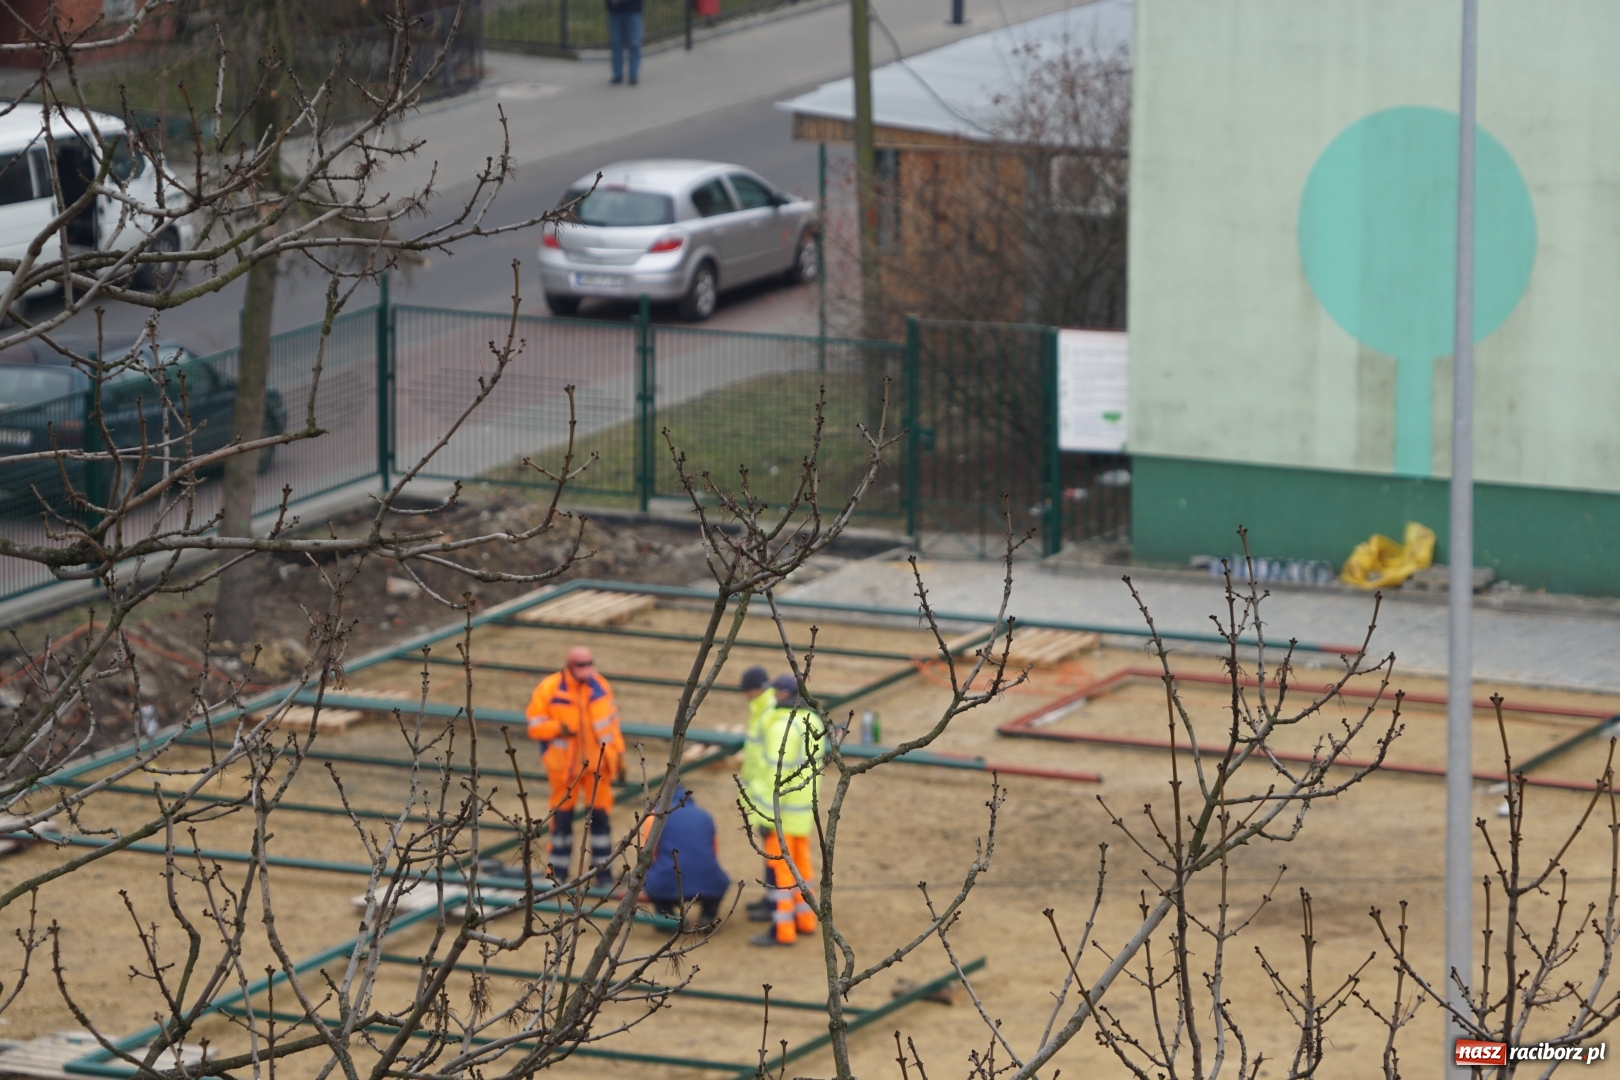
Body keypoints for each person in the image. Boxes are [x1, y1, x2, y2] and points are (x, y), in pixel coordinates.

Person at [525, 646, 625, 889]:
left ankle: (602, 875)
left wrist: (619, 758)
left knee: (601, 822)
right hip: (564, 770)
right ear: (569, 666)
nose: (585, 672)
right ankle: (556, 875)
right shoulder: (549, 689)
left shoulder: (600, 686)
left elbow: (611, 725)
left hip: (598, 768)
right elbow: (534, 725)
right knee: (561, 822)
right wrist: (559, 728)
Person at [743, 673, 824, 946]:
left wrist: (767, 817)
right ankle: (806, 920)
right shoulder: (812, 721)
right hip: (802, 813)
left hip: (782, 815)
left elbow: (774, 777)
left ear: (780, 695)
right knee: (801, 868)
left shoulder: (782, 727)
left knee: (781, 873)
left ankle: (782, 931)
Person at [639, 782, 731, 925]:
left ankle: (667, 919)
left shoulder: (656, 817)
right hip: (707, 882)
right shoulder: (707, 816)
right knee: (719, 881)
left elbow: (647, 856)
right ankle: (707, 915)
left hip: (667, 881)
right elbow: (713, 851)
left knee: (648, 880)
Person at [737, 665, 778, 922]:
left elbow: (768, 763)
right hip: (760, 792)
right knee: (768, 851)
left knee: (774, 852)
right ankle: (769, 898)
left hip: (767, 796)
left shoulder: (768, 712)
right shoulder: (761, 708)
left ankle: (773, 903)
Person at [606, 0, 642, 86]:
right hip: (615, 11)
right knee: (616, 43)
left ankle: (633, 74)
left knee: (634, 43)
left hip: (633, 10)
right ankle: (617, 74)